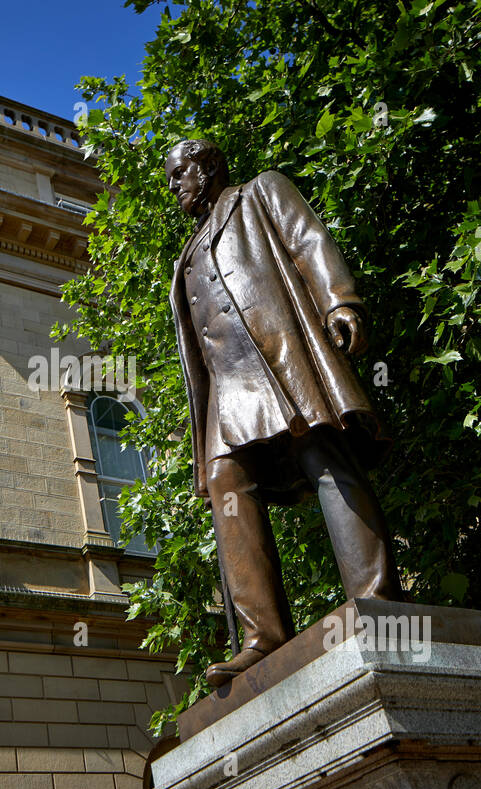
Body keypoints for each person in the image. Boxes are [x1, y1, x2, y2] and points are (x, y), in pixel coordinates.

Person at [164, 139, 404, 687]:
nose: (174, 186)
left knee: (322, 453)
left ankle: (377, 598)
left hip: (279, 353)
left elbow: (309, 240)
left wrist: (339, 299)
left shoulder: (259, 192)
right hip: (227, 387)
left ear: (207, 167)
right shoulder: (184, 257)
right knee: (227, 482)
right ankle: (262, 638)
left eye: (180, 174)